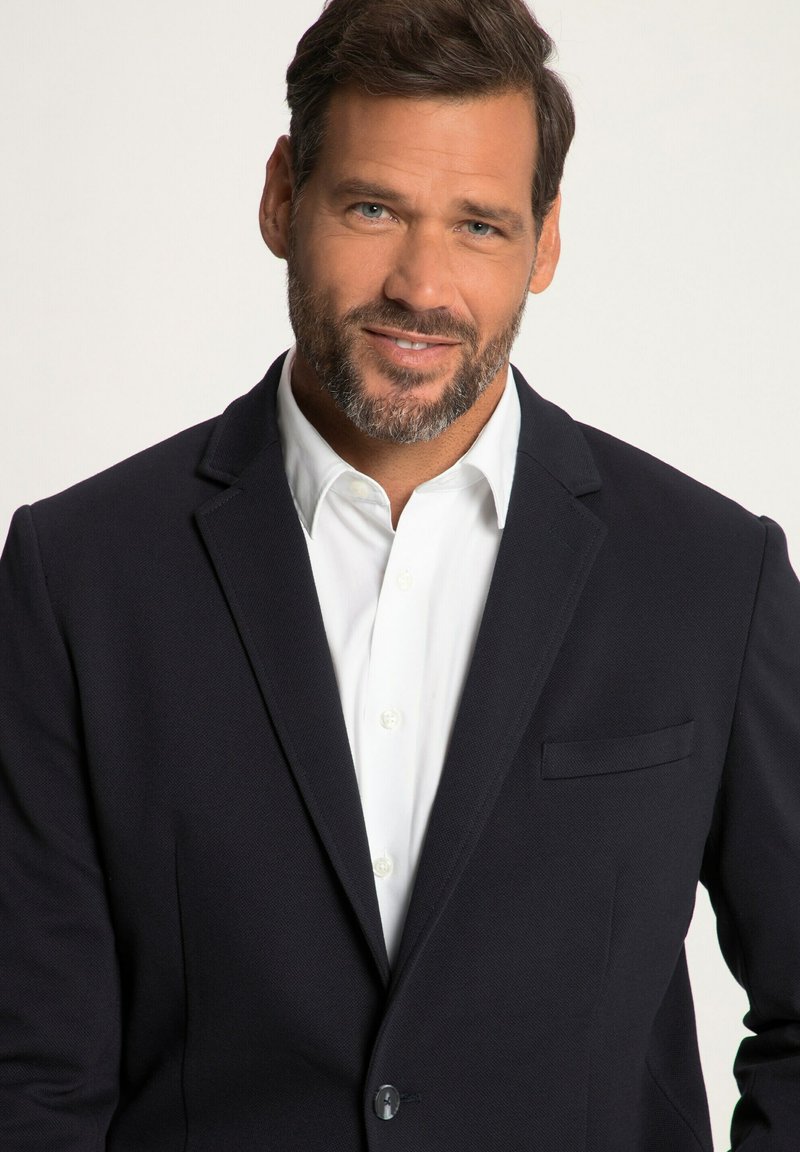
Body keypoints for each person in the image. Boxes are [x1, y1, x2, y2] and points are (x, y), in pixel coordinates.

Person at [1, 0, 798, 1148]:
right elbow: (32, 1073)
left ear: (544, 241)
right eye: (372, 208)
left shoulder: (710, 577)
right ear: (281, 195)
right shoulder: (78, 577)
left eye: (477, 225)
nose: (421, 286)